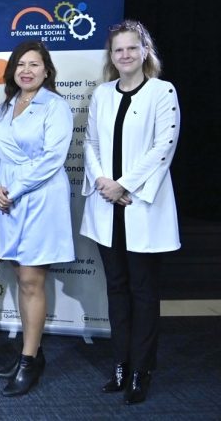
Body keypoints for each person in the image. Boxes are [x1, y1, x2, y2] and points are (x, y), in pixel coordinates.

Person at [80, 20, 180, 405]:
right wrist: (105, 182)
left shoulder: (161, 92)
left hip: (141, 206)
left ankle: (142, 369)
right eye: (118, 50)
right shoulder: (102, 94)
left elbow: (163, 146)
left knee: (143, 292)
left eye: (131, 49)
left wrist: (126, 185)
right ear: (111, 56)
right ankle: (119, 365)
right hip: (108, 207)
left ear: (144, 52)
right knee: (117, 291)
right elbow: (89, 142)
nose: (124, 55)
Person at [0, 40, 74, 396]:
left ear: (47, 71)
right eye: (21, 64)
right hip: (7, 201)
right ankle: (31, 353)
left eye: (34, 65)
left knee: (31, 280)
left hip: (39, 199)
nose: (26, 70)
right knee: (22, 278)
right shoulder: (4, 108)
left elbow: (53, 159)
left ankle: (28, 360)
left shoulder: (55, 106)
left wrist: (13, 190)